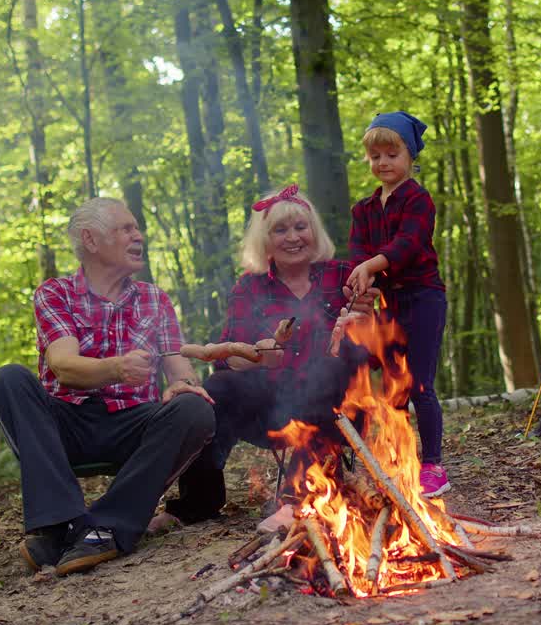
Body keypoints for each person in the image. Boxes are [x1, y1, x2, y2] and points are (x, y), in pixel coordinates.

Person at [0, 197, 214, 576]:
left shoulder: (155, 300)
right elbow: (63, 367)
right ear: (90, 240)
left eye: (137, 228)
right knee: (7, 379)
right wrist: (117, 369)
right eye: (125, 228)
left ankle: (105, 526)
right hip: (66, 424)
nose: (137, 235)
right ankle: (63, 523)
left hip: (133, 424)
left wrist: (183, 386)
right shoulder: (54, 293)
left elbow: (181, 370)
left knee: (195, 408)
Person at [151, 184, 377, 534]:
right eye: (280, 229)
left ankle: (297, 499)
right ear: (265, 239)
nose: (292, 238)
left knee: (331, 368)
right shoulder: (249, 288)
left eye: (300, 227)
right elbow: (226, 359)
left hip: (337, 410)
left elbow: (374, 357)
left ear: (314, 232)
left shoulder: (344, 275)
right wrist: (258, 358)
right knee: (218, 387)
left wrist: (367, 323)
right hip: (273, 410)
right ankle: (196, 505)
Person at [345, 111, 449, 497]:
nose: (383, 163)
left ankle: (433, 465)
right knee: (393, 388)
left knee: (420, 383)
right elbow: (358, 253)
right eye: (376, 157)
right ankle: (398, 461)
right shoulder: (364, 209)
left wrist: (372, 266)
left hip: (422, 299)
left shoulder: (418, 199)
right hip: (387, 304)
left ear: (410, 156)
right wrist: (359, 281)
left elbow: (406, 246)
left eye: (392, 154)